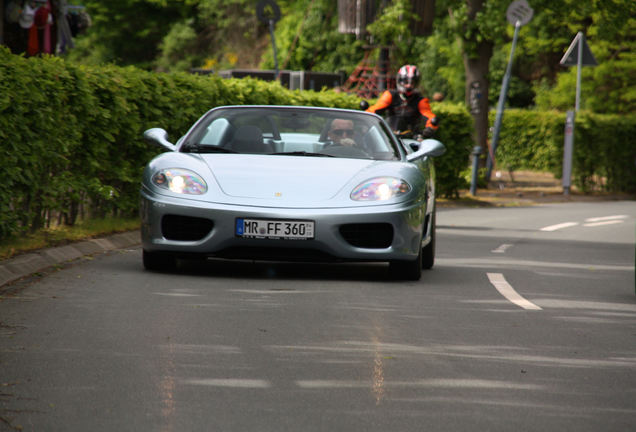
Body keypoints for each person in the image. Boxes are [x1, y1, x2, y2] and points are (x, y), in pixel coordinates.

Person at [366, 65, 438, 138]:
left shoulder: (420, 100)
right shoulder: (390, 95)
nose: (409, 85)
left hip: (411, 138)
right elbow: (375, 109)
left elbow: (429, 115)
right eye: (406, 82)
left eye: (412, 83)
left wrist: (430, 127)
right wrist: (365, 116)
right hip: (389, 136)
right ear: (400, 81)